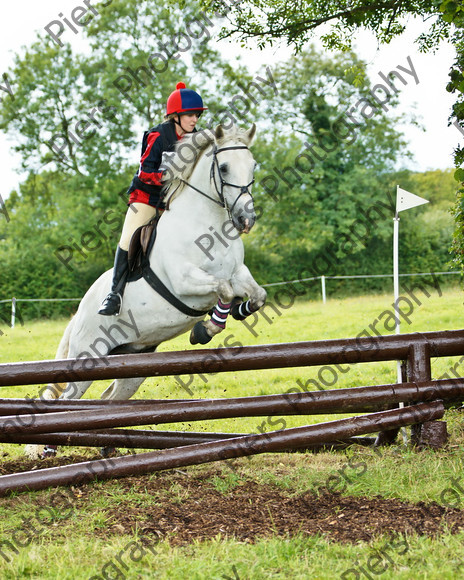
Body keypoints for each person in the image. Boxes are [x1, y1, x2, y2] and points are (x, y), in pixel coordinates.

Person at [98, 82, 207, 316]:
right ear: (175, 116)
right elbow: (144, 172)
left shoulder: (197, 138)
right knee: (128, 238)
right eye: (190, 115)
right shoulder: (158, 135)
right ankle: (114, 294)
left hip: (174, 200)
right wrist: (166, 176)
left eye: (196, 115)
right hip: (146, 198)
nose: (194, 120)